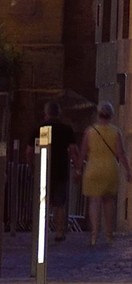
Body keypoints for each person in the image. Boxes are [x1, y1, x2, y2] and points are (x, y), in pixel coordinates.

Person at [79, 105, 128, 247]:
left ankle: (94, 235)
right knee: (109, 202)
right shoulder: (115, 132)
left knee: (94, 202)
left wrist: (77, 169)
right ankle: (108, 234)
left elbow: (83, 152)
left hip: (93, 168)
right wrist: (128, 170)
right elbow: (120, 153)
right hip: (110, 169)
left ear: (98, 114)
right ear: (111, 115)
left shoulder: (90, 132)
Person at [42, 102, 77, 242]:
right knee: (59, 204)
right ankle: (59, 232)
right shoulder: (66, 129)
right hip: (61, 169)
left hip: (44, 167)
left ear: (46, 113)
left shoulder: (42, 128)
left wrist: (32, 166)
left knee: (43, 202)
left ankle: (42, 230)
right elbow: (73, 150)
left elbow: (30, 150)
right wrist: (78, 167)